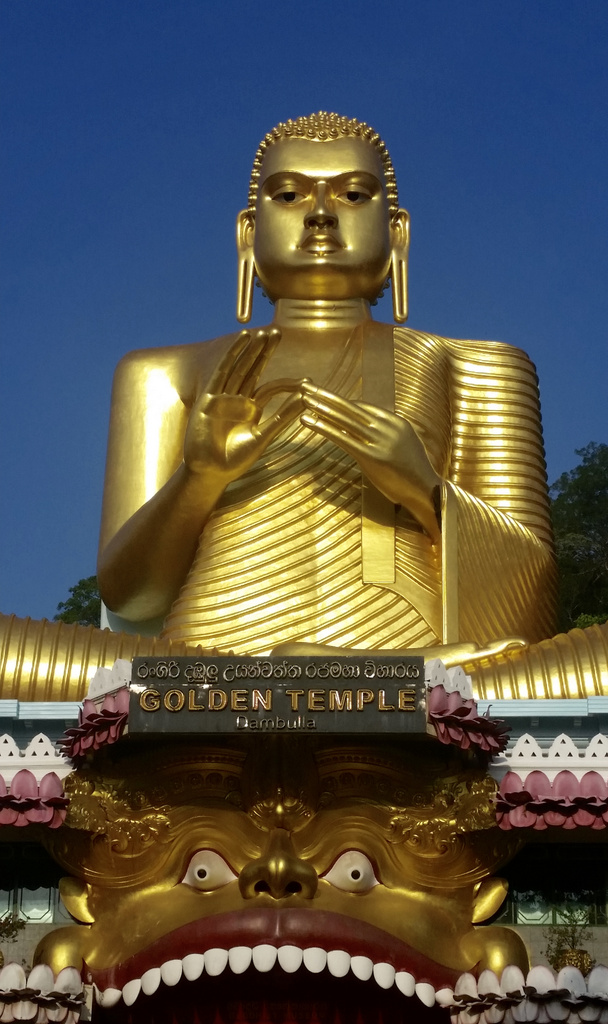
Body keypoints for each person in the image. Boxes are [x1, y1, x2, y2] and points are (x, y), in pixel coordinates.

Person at [1, 111, 607, 699]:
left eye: (352, 195)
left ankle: (361, 673)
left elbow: (531, 605)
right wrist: (200, 478)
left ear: (397, 231)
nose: (319, 215)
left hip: (419, 663)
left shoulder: (475, 365)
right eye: (289, 195)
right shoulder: (162, 372)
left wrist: (424, 490)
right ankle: (323, 679)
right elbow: (130, 596)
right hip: (205, 671)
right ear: (248, 230)